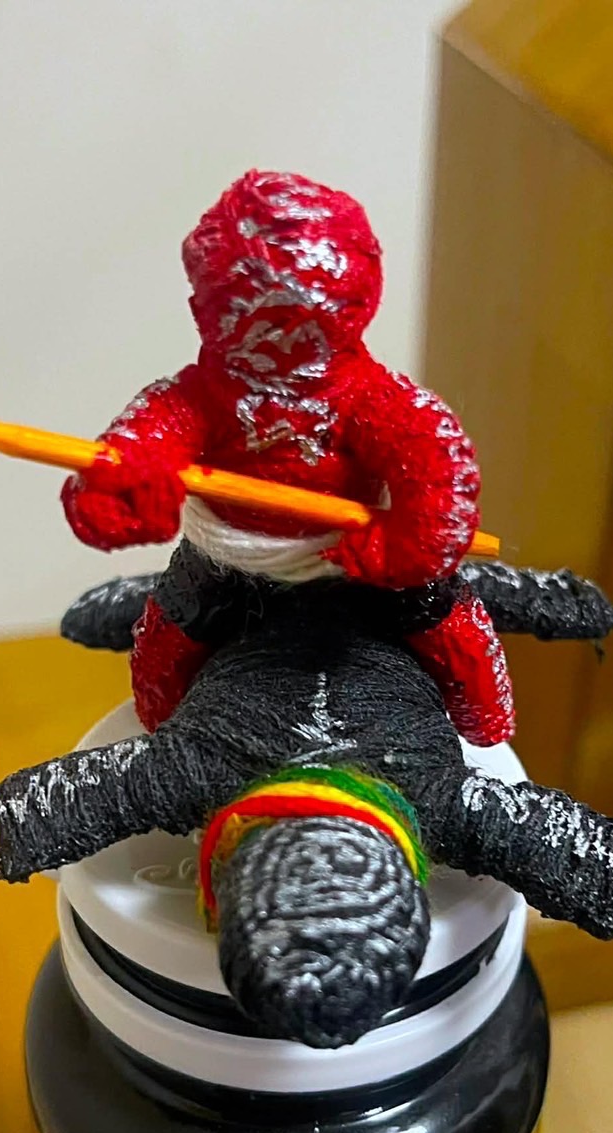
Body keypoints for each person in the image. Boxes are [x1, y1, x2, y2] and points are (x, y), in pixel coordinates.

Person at [61, 169, 514, 746]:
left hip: (352, 558)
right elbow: (137, 447)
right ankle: (165, 737)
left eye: (297, 322)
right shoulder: (200, 396)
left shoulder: (367, 396)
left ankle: (486, 727)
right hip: (229, 557)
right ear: (205, 307)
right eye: (251, 316)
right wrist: (119, 490)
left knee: (455, 632)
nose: (276, 341)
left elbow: (436, 460)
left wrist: (410, 547)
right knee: (164, 644)